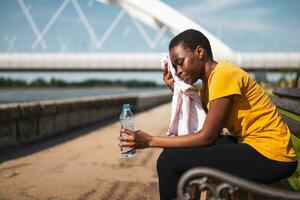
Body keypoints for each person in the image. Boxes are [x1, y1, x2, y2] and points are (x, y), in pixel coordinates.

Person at [119, 29, 297, 200]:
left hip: (271, 155)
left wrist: (149, 141)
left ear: (199, 52)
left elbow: (206, 137)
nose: (178, 71)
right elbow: (204, 125)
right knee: (174, 152)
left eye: (180, 62)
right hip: (255, 147)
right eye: (174, 67)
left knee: (168, 161)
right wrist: (175, 87)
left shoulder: (223, 75)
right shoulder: (208, 87)